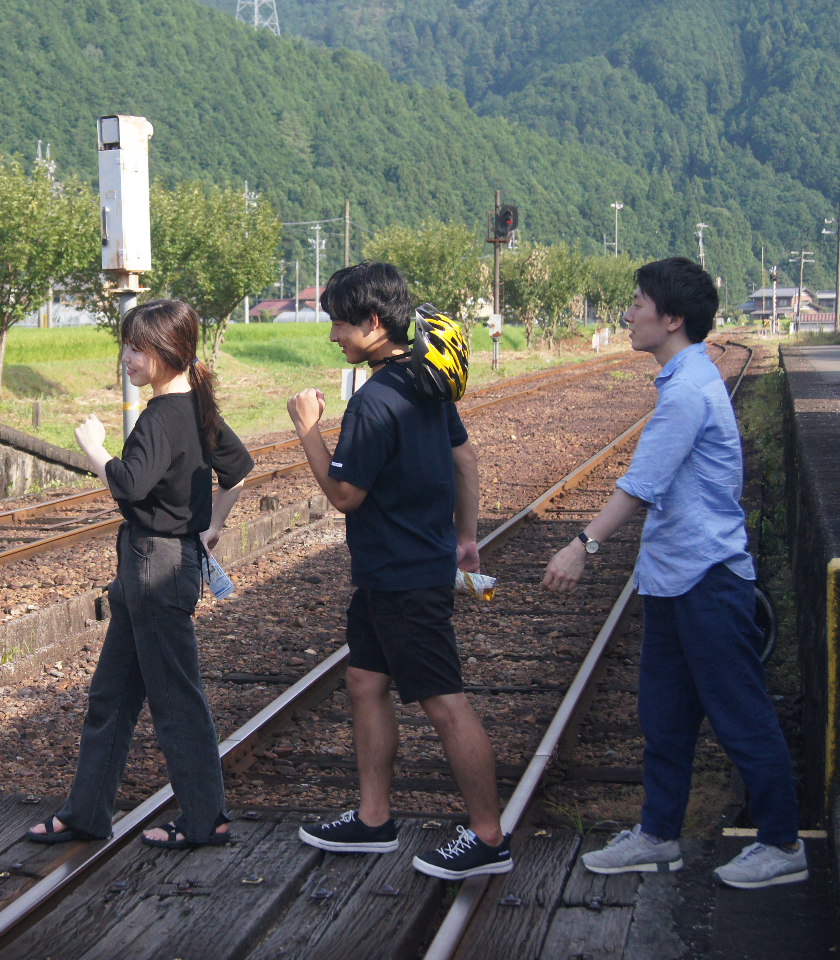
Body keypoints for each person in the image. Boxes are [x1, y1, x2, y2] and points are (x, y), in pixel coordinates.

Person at [544, 257, 805, 889]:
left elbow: (642, 484)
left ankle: (781, 843)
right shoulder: (683, 378)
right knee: (663, 718)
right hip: (671, 578)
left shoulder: (688, 390)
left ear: (672, 318)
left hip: (708, 581)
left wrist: (582, 544)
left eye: (638, 303)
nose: (629, 313)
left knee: (739, 712)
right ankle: (659, 836)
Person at [286, 262, 513, 880]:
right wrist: (465, 540)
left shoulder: (373, 402)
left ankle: (489, 836)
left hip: (404, 577)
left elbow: (344, 495)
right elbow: (463, 457)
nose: (332, 333)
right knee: (365, 682)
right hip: (396, 571)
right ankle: (373, 817)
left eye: (338, 322)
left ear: (372, 324)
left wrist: (308, 431)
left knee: (444, 703)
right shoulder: (426, 380)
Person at [26, 299, 252, 848]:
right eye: (126, 344)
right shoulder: (195, 407)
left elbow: (129, 484)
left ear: (166, 353)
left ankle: (205, 819)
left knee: (175, 700)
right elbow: (239, 470)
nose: (126, 357)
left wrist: (94, 449)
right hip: (153, 567)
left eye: (137, 347)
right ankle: (86, 812)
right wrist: (211, 527)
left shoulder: (159, 417)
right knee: (112, 696)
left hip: (156, 569)